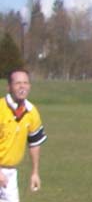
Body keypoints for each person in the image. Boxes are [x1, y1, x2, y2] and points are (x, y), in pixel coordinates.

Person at [0, 69, 47, 202]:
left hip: (10, 173)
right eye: (18, 83)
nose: (22, 86)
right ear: (9, 87)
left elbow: (34, 143)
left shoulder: (32, 112)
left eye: (25, 83)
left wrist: (35, 172)